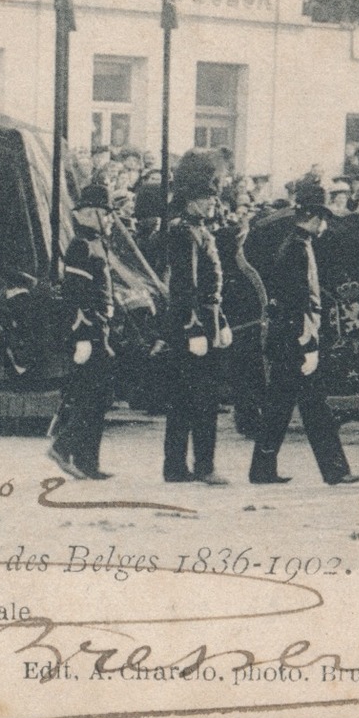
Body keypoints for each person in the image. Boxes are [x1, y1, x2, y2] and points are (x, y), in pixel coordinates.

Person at [251, 182, 359, 486]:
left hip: (287, 341)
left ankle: (263, 470)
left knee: (284, 408)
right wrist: (309, 345)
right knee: (311, 409)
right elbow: (301, 303)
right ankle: (336, 471)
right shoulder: (299, 249)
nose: (326, 225)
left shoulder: (295, 245)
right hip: (296, 343)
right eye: (324, 218)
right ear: (314, 216)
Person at [161, 172, 233, 485]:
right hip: (194, 326)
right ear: (192, 201)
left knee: (185, 398)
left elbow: (210, 287)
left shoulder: (199, 231)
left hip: (206, 322)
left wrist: (223, 321)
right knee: (199, 399)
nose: (213, 203)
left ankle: (177, 466)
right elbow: (185, 285)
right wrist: (193, 328)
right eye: (208, 198)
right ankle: (202, 466)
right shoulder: (184, 233)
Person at [47, 184, 118, 480]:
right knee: (90, 396)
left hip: (99, 327)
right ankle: (63, 447)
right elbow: (74, 295)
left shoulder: (96, 244)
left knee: (98, 396)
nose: (111, 219)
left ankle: (88, 462)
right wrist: (82, 336)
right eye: (106, 214)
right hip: (88, 330)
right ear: (91, 214)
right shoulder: (81, 246)